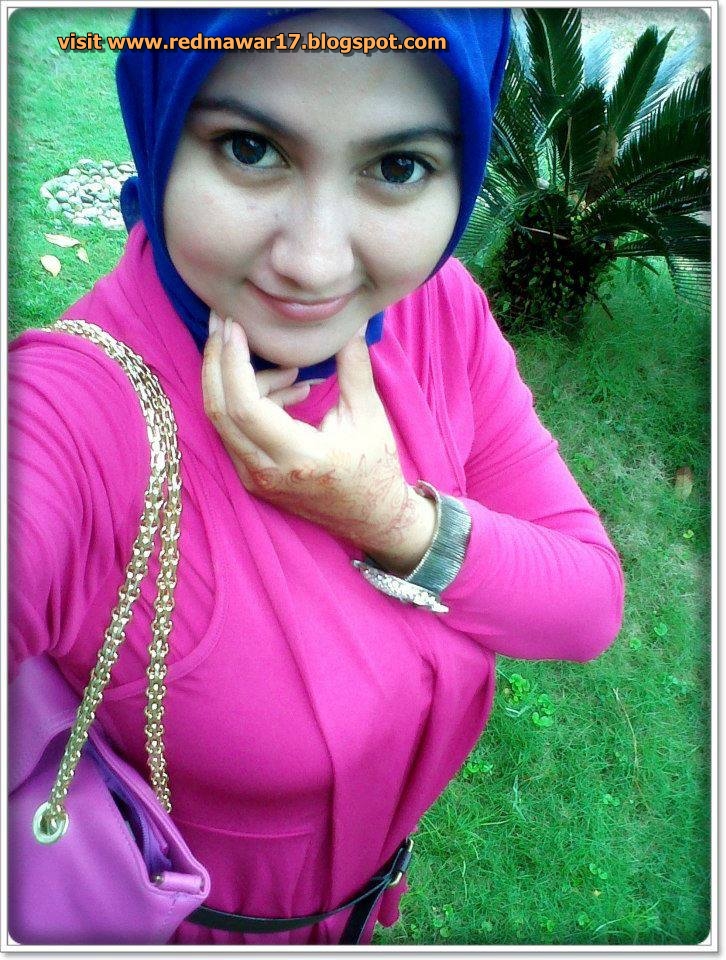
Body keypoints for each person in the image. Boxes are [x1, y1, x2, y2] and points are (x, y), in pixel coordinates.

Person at [8, 5, 625, 947]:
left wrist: (392, 519)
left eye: (398, 167)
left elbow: (587, 606)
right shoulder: (69, 416)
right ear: (160, 122)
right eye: (250, 148)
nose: (314, 263)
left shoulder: (437, 311)